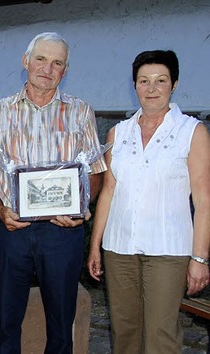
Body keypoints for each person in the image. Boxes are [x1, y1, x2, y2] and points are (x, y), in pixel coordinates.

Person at [0, 32, 107, 354]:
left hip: (62, 234)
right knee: (6, 325)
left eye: (57, 63)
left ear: (65, 70)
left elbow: (97, 172)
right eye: (41, 59)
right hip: (12, 231)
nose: (47, 69)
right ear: (26, 61)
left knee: (62, 328)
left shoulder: (80, 112)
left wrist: (79, 207)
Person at [87, 50, 210, 353]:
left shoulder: (191, 131)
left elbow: (204, 198)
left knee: (160, 335)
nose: (151, 88)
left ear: (174, 84)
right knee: (124, 332)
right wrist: (95, 245)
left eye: (160, 80)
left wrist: (200, 259)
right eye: (144, 81)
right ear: (134, 85)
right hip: (119, 249)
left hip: (168, 250)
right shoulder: (119, 133)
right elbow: (109, 191)